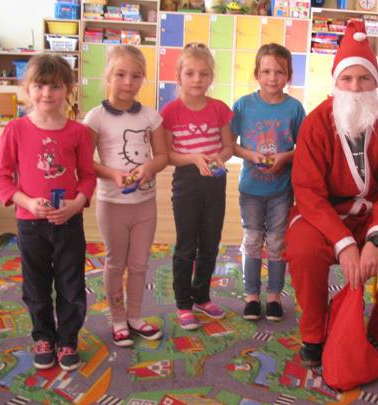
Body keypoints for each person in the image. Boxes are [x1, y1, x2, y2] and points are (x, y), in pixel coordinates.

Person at [285, 21, 378, 368]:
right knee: (302, 249)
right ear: (336, 82)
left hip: (374, 219)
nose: (355, 87)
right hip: (324, 217)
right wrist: (345, 244)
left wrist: (375, 242)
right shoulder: (316, 123)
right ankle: (314, 334)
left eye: (364, 78)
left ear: (375, 82)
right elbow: (308, 191)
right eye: (347, 79)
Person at [0, 54, 96, 371]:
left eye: (55, 86)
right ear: (27, 89)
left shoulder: (78, 132)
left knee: (71, 285)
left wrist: (77, 203)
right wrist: (26, 202)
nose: (47, 93)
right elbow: (1, 177)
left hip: (68, 222)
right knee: (35, 286)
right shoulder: (15, 129)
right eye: (39, 86)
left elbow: (87, 176)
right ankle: (43, 337)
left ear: (68, 90)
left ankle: (67, 340)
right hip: (30, 224)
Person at [83, 45, 167, 347]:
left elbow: (162, 156)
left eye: (135, 76)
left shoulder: (150, 116)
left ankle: (135, 316)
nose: (128, 82)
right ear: (107, 76)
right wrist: (112, 174)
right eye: (120, 74)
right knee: (115, 263)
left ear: (143, 78)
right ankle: (117, 318)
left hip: (145, 204)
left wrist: (148, 167)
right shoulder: (95, 118)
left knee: (140, 264)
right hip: (112, 205)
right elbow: (84, 161)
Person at [161, 43, 234, 330]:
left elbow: (228, 147)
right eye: (190, 73)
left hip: (215, 182)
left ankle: (202, 296)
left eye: (204, 74)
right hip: (186, 183)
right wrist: (193, 158)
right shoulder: (170, 112)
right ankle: (183, 303)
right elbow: (168, 155)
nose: (197, 79)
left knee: (210, 243)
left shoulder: (219, 109)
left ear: (211, 77)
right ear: (178, 76)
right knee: (186, 246)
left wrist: (218, 157)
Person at [231, 43, 306, 322]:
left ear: (289, 76)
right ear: (256, 74)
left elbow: (305, 148)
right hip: (251, 188)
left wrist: (285, 157)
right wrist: (252, 155)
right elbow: (231, 145)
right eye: (266, 71)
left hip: (281, 190)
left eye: (279, 72)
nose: (272, 78)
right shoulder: (243, 106)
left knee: (276, 242)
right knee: (252, 240)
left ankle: (274, 296)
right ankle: (251, 296)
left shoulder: (294, 108)